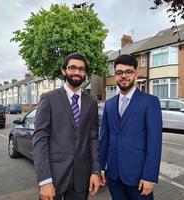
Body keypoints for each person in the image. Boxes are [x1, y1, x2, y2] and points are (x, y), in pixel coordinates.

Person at [33, 52, 100, 200]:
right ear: (64, 70)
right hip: (54, 177)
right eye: (72, 68)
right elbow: (40, 139)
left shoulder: (91, 103)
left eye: (81, 69)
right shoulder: (48, 99)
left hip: (81, 179)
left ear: (85, 73)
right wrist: (44, 180)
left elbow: (93, 138)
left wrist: (95, 171)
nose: (77, 72)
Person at [99, 54, 162, 200]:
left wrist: (150, 176)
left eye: (128, 72)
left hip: (139, 177)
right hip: (114, 176)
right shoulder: (109, 104)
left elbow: (154, 142)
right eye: (119, 72)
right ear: (115, 75)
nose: (124, 76)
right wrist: (101, 167)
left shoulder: (150, 102)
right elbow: (104, 138)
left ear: (135, 74)